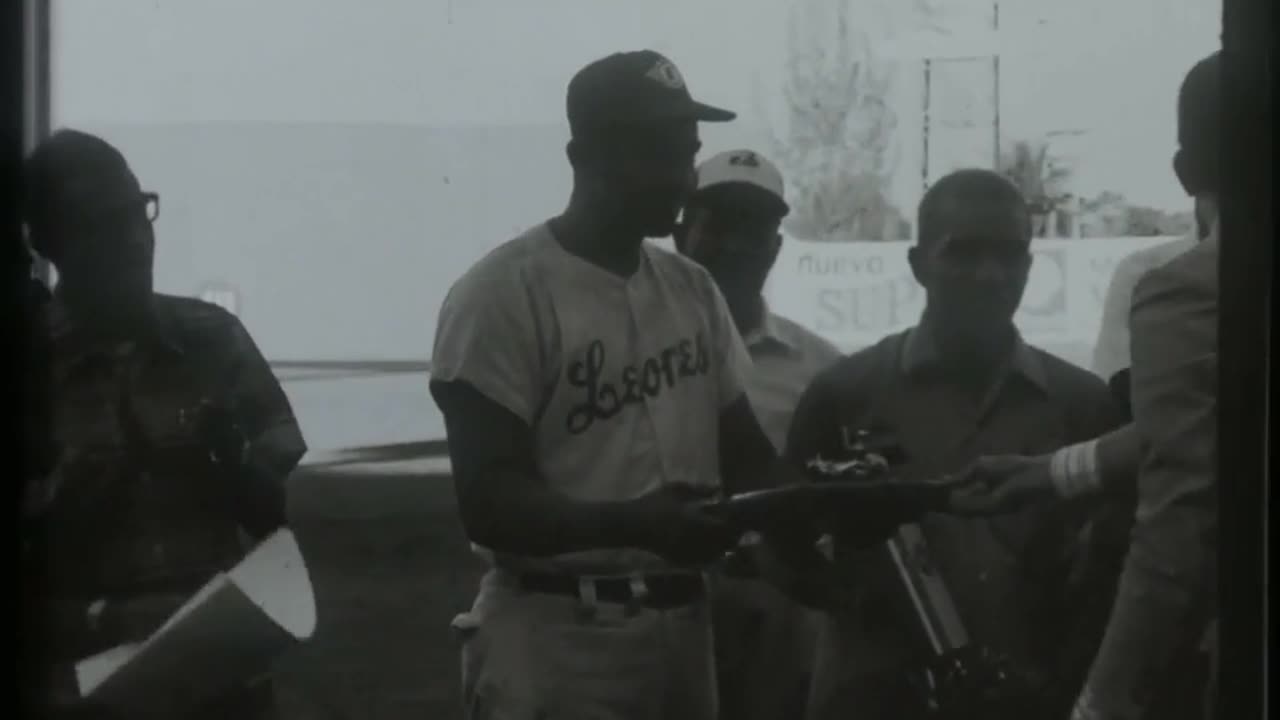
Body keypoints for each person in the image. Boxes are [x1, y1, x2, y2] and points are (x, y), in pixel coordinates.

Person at [429, 50, 892, 720]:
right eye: (655, 150)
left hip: (682, 631)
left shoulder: (690, 289)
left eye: (687, 150)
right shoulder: (502, 292)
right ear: (582, 154)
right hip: (556, 630)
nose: (680, 176)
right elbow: (489, 499)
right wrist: (638, 524)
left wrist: (830, 501)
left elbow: (746, 459)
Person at [784, 168, 1124, 720]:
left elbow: (1113, 569)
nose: (990, 275)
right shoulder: (845, 393)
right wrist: (858, 604)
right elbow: (783, 538)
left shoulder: (1084, 405)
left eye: (1010, 256)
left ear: (1030, 268)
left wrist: (1058, 683)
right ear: (919, 265)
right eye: (963, 253)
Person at [951, 53, 1223, 720]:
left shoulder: (1191, 290)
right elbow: (1208, 432)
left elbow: (1179, 515)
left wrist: (1102, 704)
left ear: (1186, 173)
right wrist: (1059, 472)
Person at [21, 129, 307, 719]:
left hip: (222, 688)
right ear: (50, 243)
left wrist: (231, 465)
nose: (132, 240)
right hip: (83, 694)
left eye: (137, 213)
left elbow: (281, 520)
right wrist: (105, 613)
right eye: (101, 223)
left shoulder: (213, 339)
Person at [674, 149, 841, 720]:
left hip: (777, 609)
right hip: (655, 603)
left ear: (776, 247)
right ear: (681, 232)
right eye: (718, 223)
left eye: (755, 227)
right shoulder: (634, 350)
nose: (736, 243)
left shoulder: (820, 368)